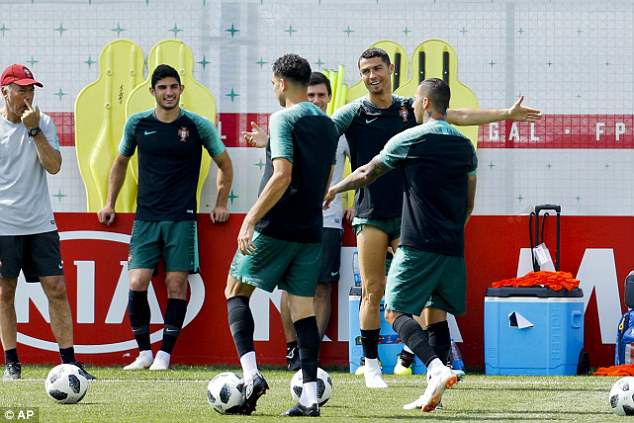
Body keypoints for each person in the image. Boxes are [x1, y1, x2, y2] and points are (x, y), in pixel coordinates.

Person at [330, 48, 541, 388]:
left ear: (390, 69)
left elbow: (456, 115)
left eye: (377, 69)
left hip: (407, 219)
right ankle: (371, 366)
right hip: (369, 213)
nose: (372, 76)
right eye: (365, 71)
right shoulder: (354, 112)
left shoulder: (410, 108)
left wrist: (505, 113)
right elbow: (325, 131)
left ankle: (434, 366)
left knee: (426, 295)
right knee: (373, 290)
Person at [325, 77, 476, 411]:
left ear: (424, 103)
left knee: (394, 310)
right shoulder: (465, 146)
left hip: (417, 241)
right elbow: (469, 202)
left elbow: (367, 173)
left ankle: (436, 368)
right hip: (452, 247)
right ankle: (434, 388)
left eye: (415, 102)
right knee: (435, 312)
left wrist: (336, 189)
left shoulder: (409, 138)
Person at [98, 64, 233, 371]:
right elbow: (120, 163)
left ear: (181, 90)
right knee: (137, 281)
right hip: (146, 218)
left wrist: (221, 202)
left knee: (175, 285)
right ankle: (144, 352)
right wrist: (109, 202)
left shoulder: (197, 126)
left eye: (174, 87)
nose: (169, 92)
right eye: (163, 88)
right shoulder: (137, 123)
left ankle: (164, 355)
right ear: (153, 92)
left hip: (182, 219)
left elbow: (224, 164)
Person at [226, 54, 338, 417]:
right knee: (303, 309)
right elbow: (326, 177)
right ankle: (308, 397)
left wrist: (250, 219)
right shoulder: (327, 124)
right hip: (310, 229)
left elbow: (282, 174)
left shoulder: (281, 118)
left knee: (235, 291)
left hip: (274, 227)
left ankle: (251, 375)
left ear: (280, 83)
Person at [244, 71, 352, 371]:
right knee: (289, 290)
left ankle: (309, 356)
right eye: (312, 94)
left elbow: (356, 169)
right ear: (304, 93)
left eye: (322, 95)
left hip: (325, 221)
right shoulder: (287, 122)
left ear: (329, 97)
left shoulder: (335, 130)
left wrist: (352, 203)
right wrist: (267, 143)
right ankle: (294, 351)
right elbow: (285, 168)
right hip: (287, 221)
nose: (316, 99)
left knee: (319, 290)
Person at [0, 64, 95, 380]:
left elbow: (53, 166)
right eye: (21, 89)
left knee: (56, 289)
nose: (27, 96)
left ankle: (69, 363)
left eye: (31, 89)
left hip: (40, 223)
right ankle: (12, 363)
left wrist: (34, 129)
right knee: (4, 293)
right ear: (5, 92)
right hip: (4, 227)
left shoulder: (45, 124)